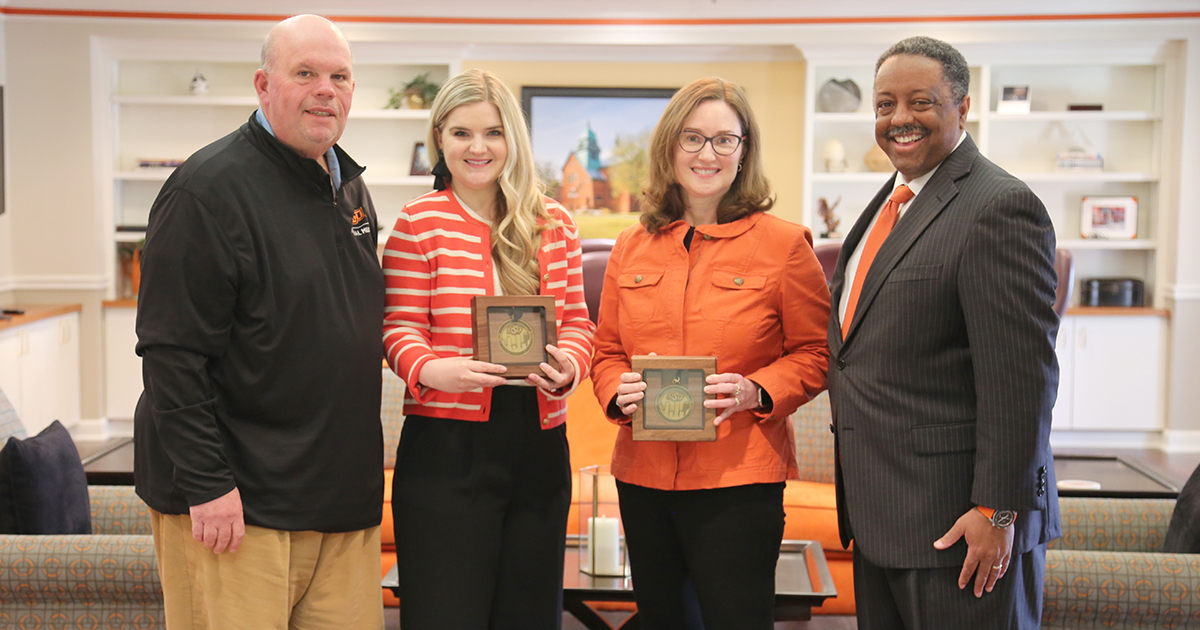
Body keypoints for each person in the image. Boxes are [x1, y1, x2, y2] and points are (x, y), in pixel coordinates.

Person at [132, 15, 384, 630]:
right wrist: (207, 487)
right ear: (263, 85)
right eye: (305, 73)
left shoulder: (348, 187)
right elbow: (171, 355)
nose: (326, 89)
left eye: (340, 76)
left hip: (339, 502)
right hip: (236, 508)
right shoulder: (206, 190)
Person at [829, 36, 1060, 629]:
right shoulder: (893, 200)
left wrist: (999, 511)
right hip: (885, 518)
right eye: (884, 105)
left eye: (919, 101)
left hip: (962, 527)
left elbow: (1021, 380)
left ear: (962, 106)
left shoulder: (1000, 206)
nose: (898, 119)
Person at [590, 77, 831, 630]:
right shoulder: (630, 245)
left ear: (744, 150)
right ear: (670, 146)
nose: (707, 154)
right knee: (661, 619)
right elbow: (606, 351)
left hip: (739, 480)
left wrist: (757, 389)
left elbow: (817, 353)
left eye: (726, 140)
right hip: (644, 477)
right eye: (693, 138)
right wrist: (614, 390)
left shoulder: (785, 245)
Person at [382, 68, 595, 630]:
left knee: (527, 613)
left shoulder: (557, 223)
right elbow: (397, 325)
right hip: (446, 447)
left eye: (494, 133)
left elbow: (576, 321)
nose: (478, 147)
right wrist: (431, 368)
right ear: (440, 139)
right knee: (445, 612)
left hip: (540, 443)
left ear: (514, 141)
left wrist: (569, 365)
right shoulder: (417, 223)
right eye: (461, 133)